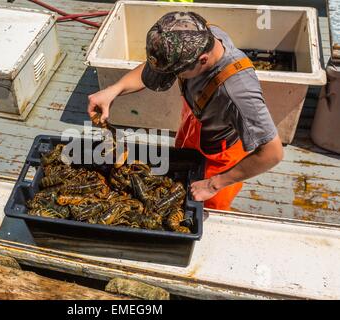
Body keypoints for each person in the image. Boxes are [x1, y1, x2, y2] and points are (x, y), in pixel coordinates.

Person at [87, 11, 283, 210]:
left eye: (176, 73)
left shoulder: (238, 92)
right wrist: (114, 90)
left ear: (203, 60)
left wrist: (214, 184)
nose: (173, 76)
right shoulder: (198, 35)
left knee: (207, 209)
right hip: (193, 131)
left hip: (219, 160)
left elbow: (272, 153)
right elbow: (158, 65)